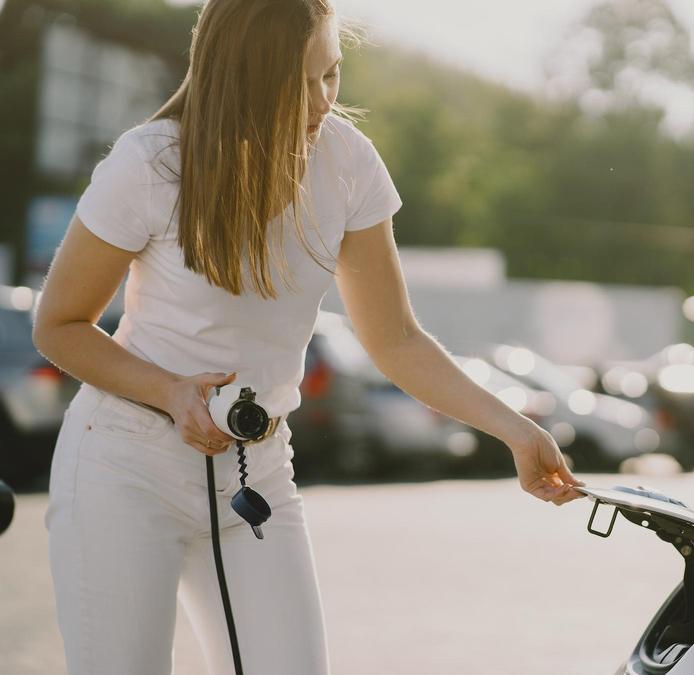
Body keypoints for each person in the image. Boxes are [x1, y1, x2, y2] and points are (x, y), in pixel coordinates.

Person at [31, 1, 585, 673]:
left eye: (334, 73)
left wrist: (517, 429)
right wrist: (170, 391)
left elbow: (398, 338)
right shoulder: (151, 164)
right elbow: (59, 325)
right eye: (304, 83)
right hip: (123, 466)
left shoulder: (348, 164)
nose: (325, 100)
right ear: (247, 81)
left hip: (257, 473)